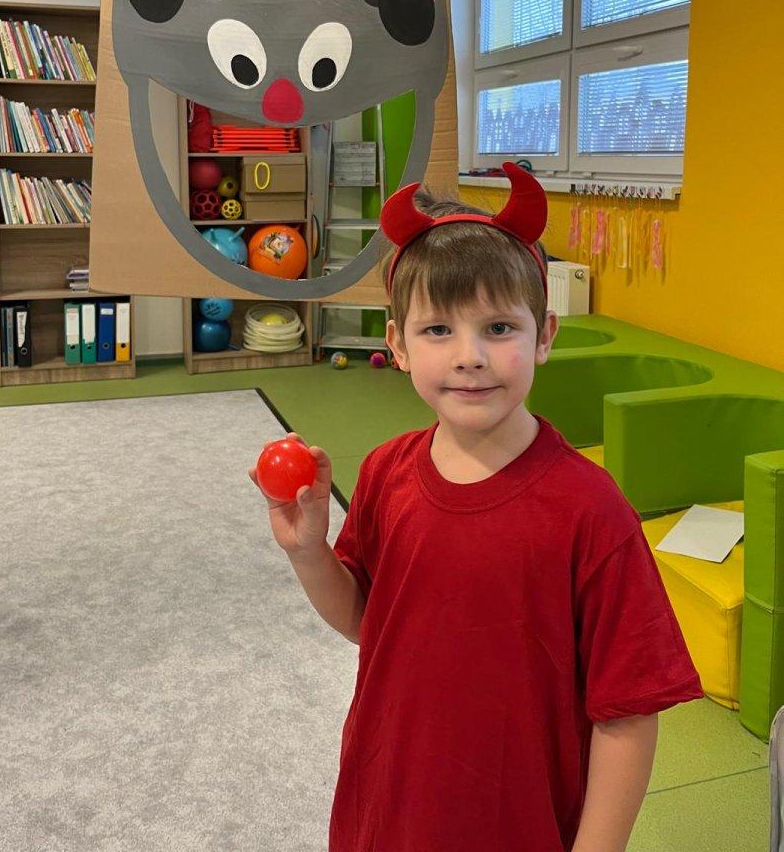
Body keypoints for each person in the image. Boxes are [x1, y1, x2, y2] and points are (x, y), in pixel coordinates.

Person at [248, 162, 703, 852]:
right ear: (397, 345)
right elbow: (369, 623)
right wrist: (309, 553)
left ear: (543, 336)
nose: (470, 356)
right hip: (391, 803)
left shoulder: (590, 509)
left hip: (517, 819)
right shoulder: (387, 473)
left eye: (497, 327)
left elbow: (628, 713)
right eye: (437, 330)